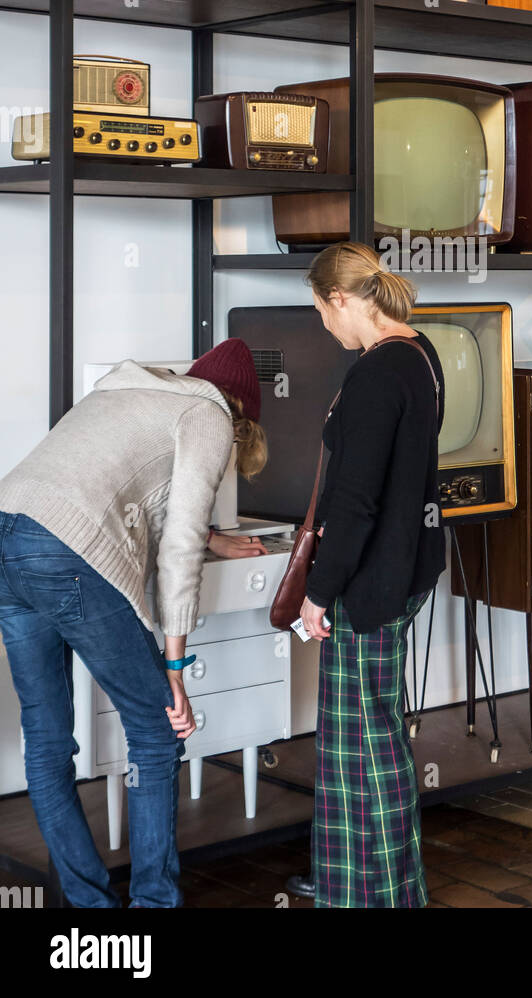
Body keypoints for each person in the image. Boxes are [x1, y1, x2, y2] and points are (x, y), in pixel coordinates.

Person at [0, 339, 268, 909]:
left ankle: (91, 910)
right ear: (242, 413)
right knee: (155, 731)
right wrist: (174, 664)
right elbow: (177, 548)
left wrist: (213, 538)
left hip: (8, 536)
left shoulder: (129, 390)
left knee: (46, 741)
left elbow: (117, 491)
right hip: (65, 555)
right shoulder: (209, 414)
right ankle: (151, 908)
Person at [292, 241, 445, 910]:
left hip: (369, 583)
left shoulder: (376, 375)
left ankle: (376, 895)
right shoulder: (421, 354)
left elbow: (355, 500)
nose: (324, 325)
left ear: (344, 301)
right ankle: (352, 883)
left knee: (364, 751)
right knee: (373, 736)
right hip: (407, 567)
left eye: (323, 311)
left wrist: (318, 594)